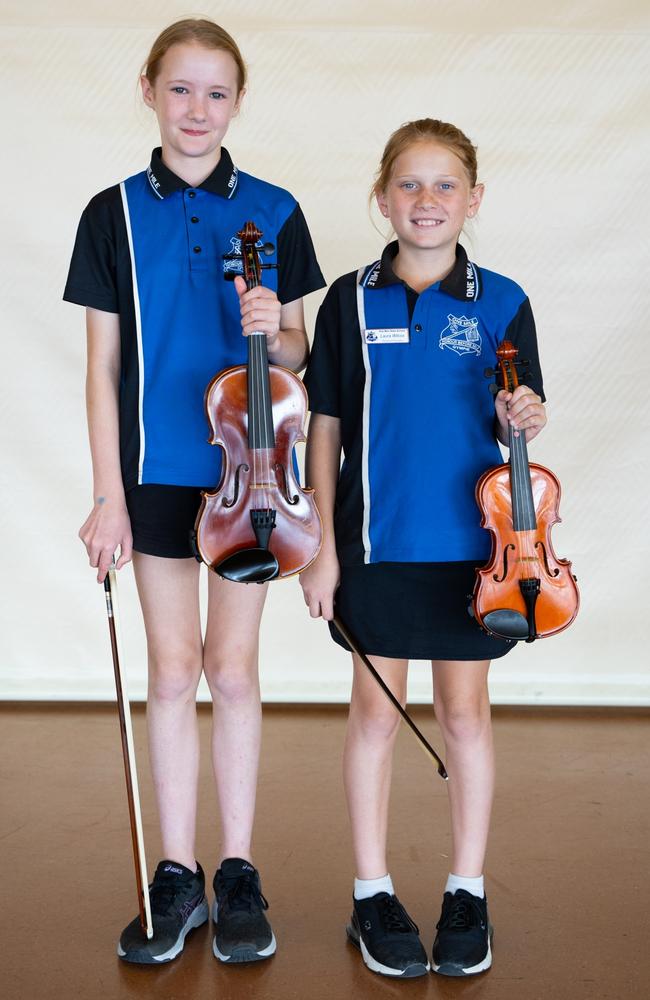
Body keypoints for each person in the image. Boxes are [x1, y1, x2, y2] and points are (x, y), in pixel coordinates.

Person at [64, 18, 324, 966]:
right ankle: (176, 874)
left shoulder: (277, 210)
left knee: (235, 671)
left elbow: (299, 358)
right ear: (148, 90)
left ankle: (236, 869)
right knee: (172, 670)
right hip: (158, 473)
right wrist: (107, 495)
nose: (197, 110)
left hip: (250, 471)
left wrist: (277, 328)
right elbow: (101, 369)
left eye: (217, 93)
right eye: (181, 89)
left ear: (238, 103)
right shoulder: (112, 213)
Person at [300, 118, 546, 979]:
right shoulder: (348, 298)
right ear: (381, 197)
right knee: (374, 715)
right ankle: (372, 892)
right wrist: (323, 552)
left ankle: (466, 891)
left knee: (465, 715)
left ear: (473, 200)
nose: (427, 200)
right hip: (374, 544)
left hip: (476, 553)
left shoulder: (504, 301)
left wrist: (529, 416)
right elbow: (325, 427)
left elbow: (525, 414)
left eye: (446, 186)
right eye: (410, 184)